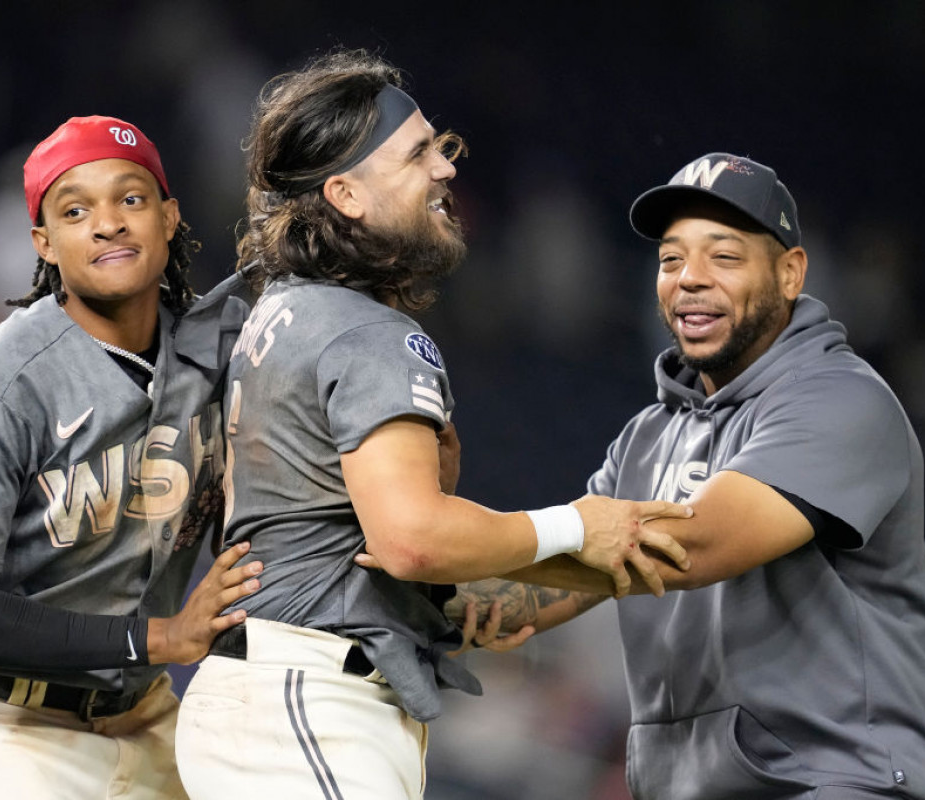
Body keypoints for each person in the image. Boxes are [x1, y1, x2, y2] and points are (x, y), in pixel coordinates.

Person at [173, 49, 692, 800]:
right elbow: (411, 538)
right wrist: (576, 528)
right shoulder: (364, 331)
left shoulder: (280, 312)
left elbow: (364, 541)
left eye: (441, 147)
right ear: (345, 193)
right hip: (309, 704)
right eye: (418, 153)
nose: (446, 168)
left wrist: (589, 568)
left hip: (270, 697)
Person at [457, 152, 925, 799]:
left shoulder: (840, 399)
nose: (690, 279)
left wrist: (457, 535)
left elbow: (686, 546)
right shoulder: (646, 438)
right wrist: (410, 592)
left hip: (842, 780)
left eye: (723, 256)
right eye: (673, 259)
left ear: (790, 273)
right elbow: (538, 591)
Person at [0, 115, 262, 800]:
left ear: (170, 217)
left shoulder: (224, 348)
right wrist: (158, 637)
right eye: (76, 209)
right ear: (44, 243)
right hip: (1, 726)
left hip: (143, 716)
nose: (109, 222)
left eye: (132, 198)